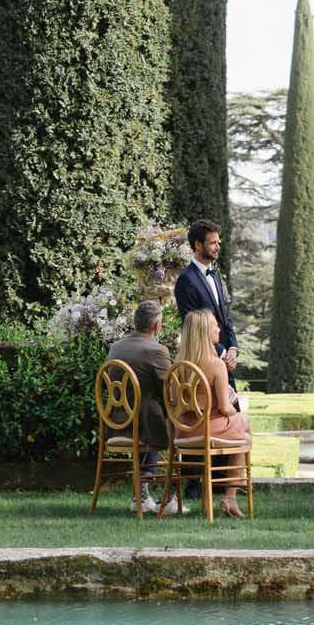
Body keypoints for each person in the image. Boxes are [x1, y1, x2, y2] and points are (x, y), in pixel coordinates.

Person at [174, 307, 251, 519]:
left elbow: (174, 404)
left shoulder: (177, 363)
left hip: (182, 432)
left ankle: (231, 491)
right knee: (245, 430)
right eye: (214, 325)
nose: (219, 328)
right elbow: (226, 409)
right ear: (205, 332)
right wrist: (236, 412)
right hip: (208, 428)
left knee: (243, 432)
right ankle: (231, 494)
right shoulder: (216, 364)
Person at [106, 300, 171, 480]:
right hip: (144, 426)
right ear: (157, 325)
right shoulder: (157, 350)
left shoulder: (115, 348)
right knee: (172, 416)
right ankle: (164, 488)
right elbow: (170, 389)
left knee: (149, 405)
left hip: (116, 423)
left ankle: (144, 488)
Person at [174, 220, 239, 374]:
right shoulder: (186, 280)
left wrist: (233, 348)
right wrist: (222, 353)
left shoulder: (215, 275)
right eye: (212, 243)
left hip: (226, 360)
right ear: (198, 245)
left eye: (218, 242)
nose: (218, 247)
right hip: (205, 363)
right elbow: (193, 326)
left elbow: (225, 317)